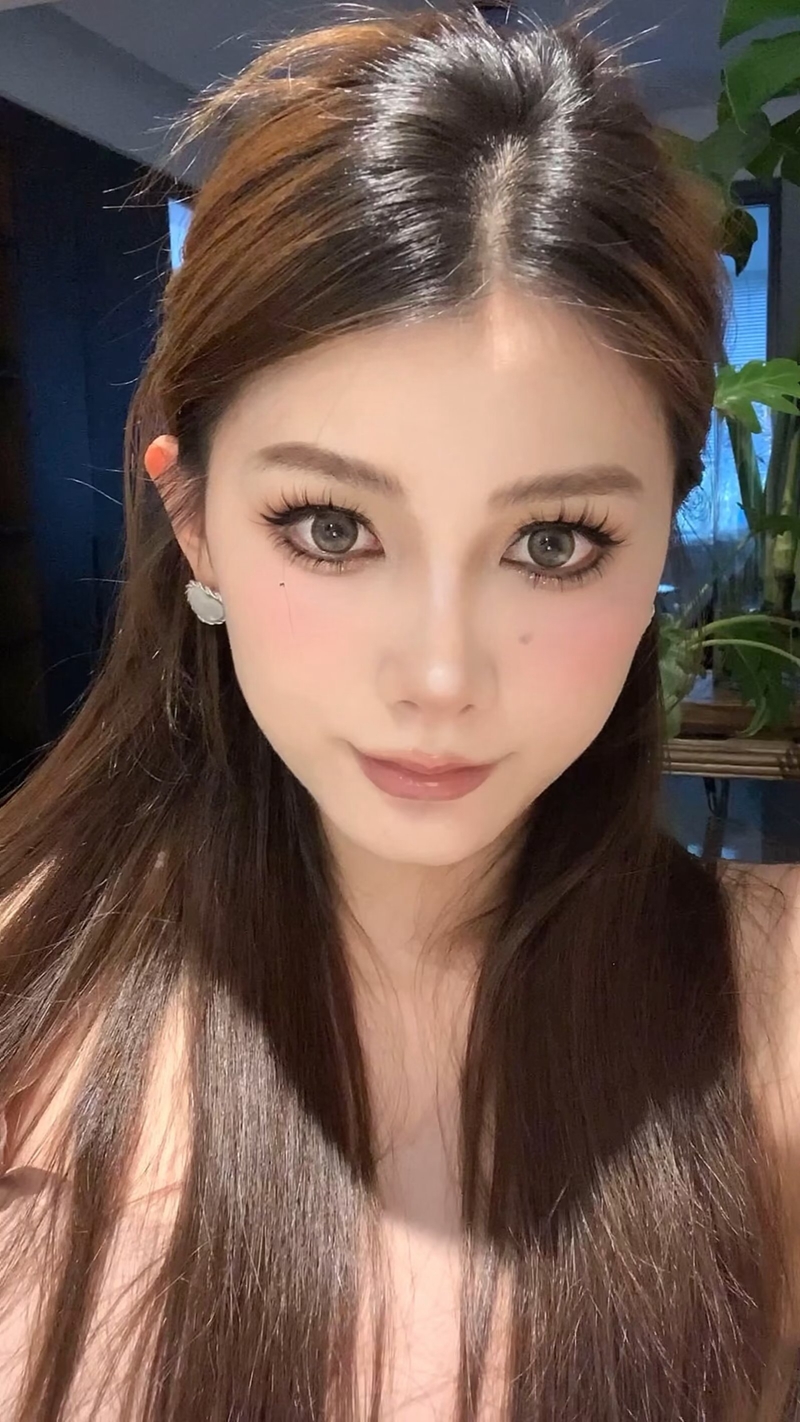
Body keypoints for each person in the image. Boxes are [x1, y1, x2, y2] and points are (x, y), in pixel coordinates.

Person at [1, 1, 800, 1416]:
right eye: (331, 526)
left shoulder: (770, 1023)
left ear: (661, 543)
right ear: (195, 521)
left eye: (553, 541)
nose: (440, 675)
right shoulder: (26, 998)